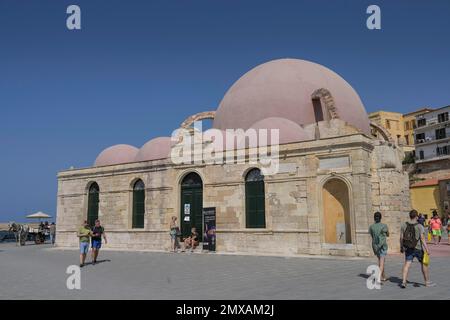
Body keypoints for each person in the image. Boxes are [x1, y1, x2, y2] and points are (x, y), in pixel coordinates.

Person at [400, 210, 435, 288]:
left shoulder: (403, 225)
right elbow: (422, 239)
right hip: (418, 248)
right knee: (424, 264)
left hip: (408, 248)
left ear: (410, 216)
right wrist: (427, 249)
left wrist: (401, 247)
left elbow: (401, 237)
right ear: (416, 217)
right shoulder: (419, 226)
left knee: (407, 264)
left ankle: (403, 282)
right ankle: (427, 282)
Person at [368, 212, 389, 283]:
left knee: (380, 261)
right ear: (380, 218)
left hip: (375, 246)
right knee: (382, 262)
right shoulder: (384, 226)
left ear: (374, 218)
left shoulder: (371, 227)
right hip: (382, 246)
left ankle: (384, 276)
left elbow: (371, 235)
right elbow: (387, 234)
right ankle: (379, 278)